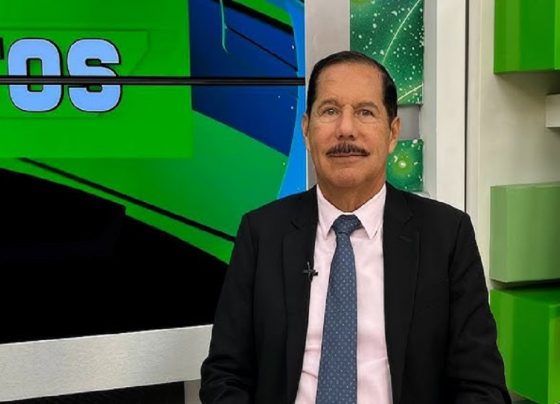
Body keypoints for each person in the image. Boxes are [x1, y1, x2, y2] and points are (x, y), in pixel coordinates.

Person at [199, 50, 510, 404]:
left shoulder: (447, 236)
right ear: (306, 130)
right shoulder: (261, 233)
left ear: (393, 133)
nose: (346, 129)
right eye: (330, 111)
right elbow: (224, 375)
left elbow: (482, 387)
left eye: (365, 112)